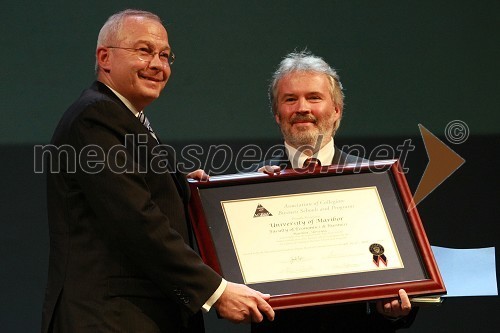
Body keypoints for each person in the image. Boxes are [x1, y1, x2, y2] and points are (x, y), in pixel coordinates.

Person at [41, 9, 274, 333]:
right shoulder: (96, 118)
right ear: (105, 57)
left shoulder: (123, 118)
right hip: (112, 320)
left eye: (165, 55)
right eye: (144, 51)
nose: (158, 65)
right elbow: (135, 218)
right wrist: (215, 290)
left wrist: (181, 187)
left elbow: (133, 195)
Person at [250, 51, 417, 332]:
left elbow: (403, 275)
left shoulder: (378, 181)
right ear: (277, 115)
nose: (302, 107)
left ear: (337, 109)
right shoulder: (250, 187)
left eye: (314, 97)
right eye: (290, 99)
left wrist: (391, 311)